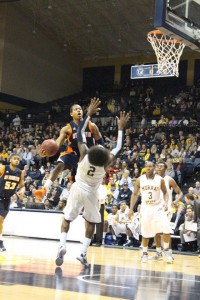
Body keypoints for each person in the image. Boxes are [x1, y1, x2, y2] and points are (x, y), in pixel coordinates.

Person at [55, 99, 129, 267]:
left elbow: (80, 132)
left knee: (67, 218)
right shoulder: (106, 162)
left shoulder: (84, 153)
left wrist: (88, 114)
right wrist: (120, 129)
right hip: (91, 192)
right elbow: (118, 147)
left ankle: (62, 244)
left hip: (77, 188)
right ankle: (83, 253)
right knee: (92, 222)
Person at [34, 102, 103, 200]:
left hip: (88, 156)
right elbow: (56, 145)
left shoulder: (92, 126)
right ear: (71, 114)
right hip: (73, 154)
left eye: (80, 109)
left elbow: (100, 142)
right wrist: (45, 153)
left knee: (79, 185)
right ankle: (44, 189)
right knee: (60, 164)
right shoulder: (67, 129)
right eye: (76, 109)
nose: (79, 110)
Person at [128, 161, 173, 263]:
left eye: (151, 166)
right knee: (145, 232)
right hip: (146, 208)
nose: (148, 168)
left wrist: (166, 203)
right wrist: (131, 209)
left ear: (154, 168)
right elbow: (134, 194)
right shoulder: (140, 180)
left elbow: (165, 192)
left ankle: (166, 251)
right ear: (145, 168)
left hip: (158, 207)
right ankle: (144, 253)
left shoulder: (160, 179)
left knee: (166, 229)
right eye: (147, 166)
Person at [149, 161, 183, 260]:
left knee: (165, 231)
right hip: (154, 208)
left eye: (161, 166)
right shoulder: (152, 179)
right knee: (156, 232)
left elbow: (180, 193)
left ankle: (169, 253)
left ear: (165, 168)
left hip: (166, 209)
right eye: (157, 166)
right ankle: (158, 253)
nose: (158, 168)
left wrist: (176, 200)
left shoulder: (169, 179)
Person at [0, 154, 25, 251]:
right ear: (10, 160)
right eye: (15, 159)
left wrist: (21, 191)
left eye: (18, 159)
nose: (17, 160)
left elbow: (22, 186)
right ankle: (0, 242)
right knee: (0, 220)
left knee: (1, 221)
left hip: (6, 200)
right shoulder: (3, 168)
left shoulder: (20, 173)